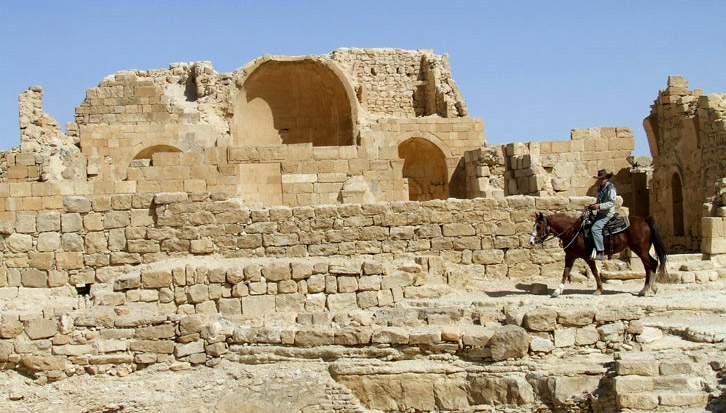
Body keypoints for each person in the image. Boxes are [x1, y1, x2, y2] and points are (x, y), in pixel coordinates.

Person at [588, 169, 616, 260]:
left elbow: (611, 203)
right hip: (600, 213)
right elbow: (599, 201)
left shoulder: (610, 188)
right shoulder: (600, 188)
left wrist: (599, 206)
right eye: (599, 179)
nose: (600, 180)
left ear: (606, 178)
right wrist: (593, 206)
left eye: (601, 179)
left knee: (595, 229)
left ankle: (601, 251)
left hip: (607, 213)